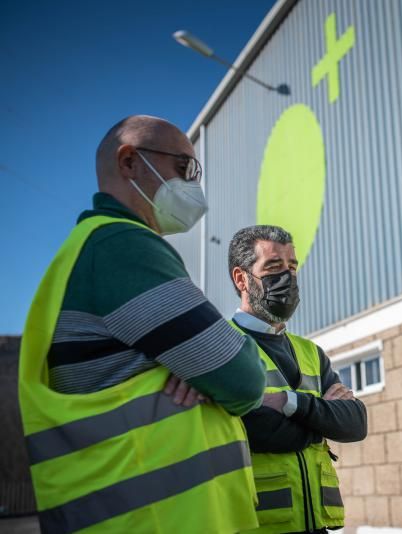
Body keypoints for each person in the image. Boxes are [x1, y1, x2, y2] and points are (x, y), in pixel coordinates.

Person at [18, 115, 266, 533]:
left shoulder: (92, 247)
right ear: (129, 162)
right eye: (185, 168)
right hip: (153, 520)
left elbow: (225, 372)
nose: (193, 184)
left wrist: (204, 372)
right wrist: (212, 376)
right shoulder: (121, 246)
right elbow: (245, 379)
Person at [226, 224, 368, 533]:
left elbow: (356, 423)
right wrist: (320, 420)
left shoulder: (311, 353)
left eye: (292, 267)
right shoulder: (222, 345)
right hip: (258, 525)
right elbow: (257, 430)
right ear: (242, 279)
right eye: (274, 268)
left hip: (317, 526)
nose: (287, 278)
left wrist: (290, 403)